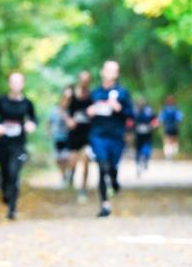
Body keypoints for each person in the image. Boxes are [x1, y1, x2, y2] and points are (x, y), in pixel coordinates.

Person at [0, 72, 37, 220]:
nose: (16, 85)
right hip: (3, 144)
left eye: (19, 82)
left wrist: (31, 124)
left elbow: (34, 118)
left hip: (19, 145)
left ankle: (12, 209)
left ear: (23, 84)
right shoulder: (1, 101)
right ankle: (5, 193)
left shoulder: (27, 103)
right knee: (5, 174)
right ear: (9, 84)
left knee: (14, 173)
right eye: (13, 82)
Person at [87, 60, 133, 218]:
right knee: (102, 166)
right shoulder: (94, 94)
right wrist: (89, 111)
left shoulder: (122, 93)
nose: (110, 73)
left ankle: (114, 181)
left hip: (116, 136)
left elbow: (131, 115)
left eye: (114, 70)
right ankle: (104, 204)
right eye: (107, 69)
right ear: (102, 72)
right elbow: (82, 115)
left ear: (117, 74)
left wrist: (118, 108)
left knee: (111, 168)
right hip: (98, 135)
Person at [63, 70, 93, 202]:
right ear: (79, 79)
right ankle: (70, 173)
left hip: (87, 132)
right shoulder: (71, 95)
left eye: (87, 79)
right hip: (74, 133)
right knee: (73, 160)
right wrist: (68, 120)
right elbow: (62, 109)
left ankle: (83, 188)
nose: (84, 81)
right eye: (83, 79)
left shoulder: (92, 96)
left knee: (86, 159)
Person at [49, 86, 73, 187]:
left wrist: (65, 116)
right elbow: (49, 122)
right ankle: (64, 177)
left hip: (69, 137)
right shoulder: (55, 109)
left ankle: (70, 176)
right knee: (58, 159)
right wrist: (49, 131)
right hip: (57, 137)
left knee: (67, 158)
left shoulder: (71, 110)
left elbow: (71, 124)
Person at [132, 98, 158, 177]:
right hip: (137, 134)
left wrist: (153, 126)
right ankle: (138, 165)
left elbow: (154, 120)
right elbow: (130, 121)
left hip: (147, 133)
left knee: (146, 148)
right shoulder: (134, 111)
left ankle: (145, 160)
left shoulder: (149, 111)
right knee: (138, 150)